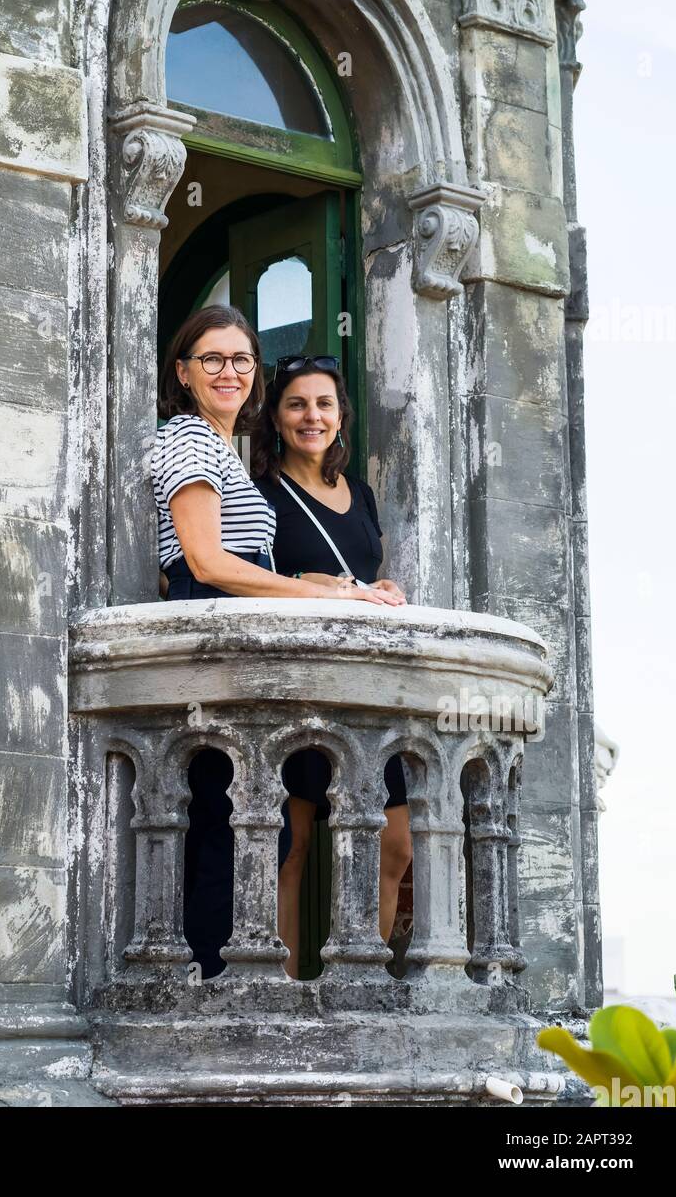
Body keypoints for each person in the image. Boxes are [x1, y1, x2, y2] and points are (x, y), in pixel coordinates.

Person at [148, 305, 402, 979]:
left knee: (252, 829)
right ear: (183, 371)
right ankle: (209, 993)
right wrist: (326, 597)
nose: (228, 371)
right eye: (212, 359)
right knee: (227, 833)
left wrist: (335, 586)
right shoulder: (191, 440)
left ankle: (231, 986)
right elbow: (204, 564)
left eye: (240, 360)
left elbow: (245, 565)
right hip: (215, 646)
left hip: (239, 641)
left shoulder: (216, 445)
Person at [251, 354, 413, 963]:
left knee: (393, 845)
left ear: (341, 416)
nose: (311, 416)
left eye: (323, 404)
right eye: (296, 404)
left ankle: (357, 979)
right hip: (296, 682)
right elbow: (243, 577)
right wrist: (309, 581)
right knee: (287, 847)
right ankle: (284, 991)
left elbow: (363, 574)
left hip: (366, 688)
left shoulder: (362, 495)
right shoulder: (258, 492)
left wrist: (385, 589)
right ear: (276, 417)